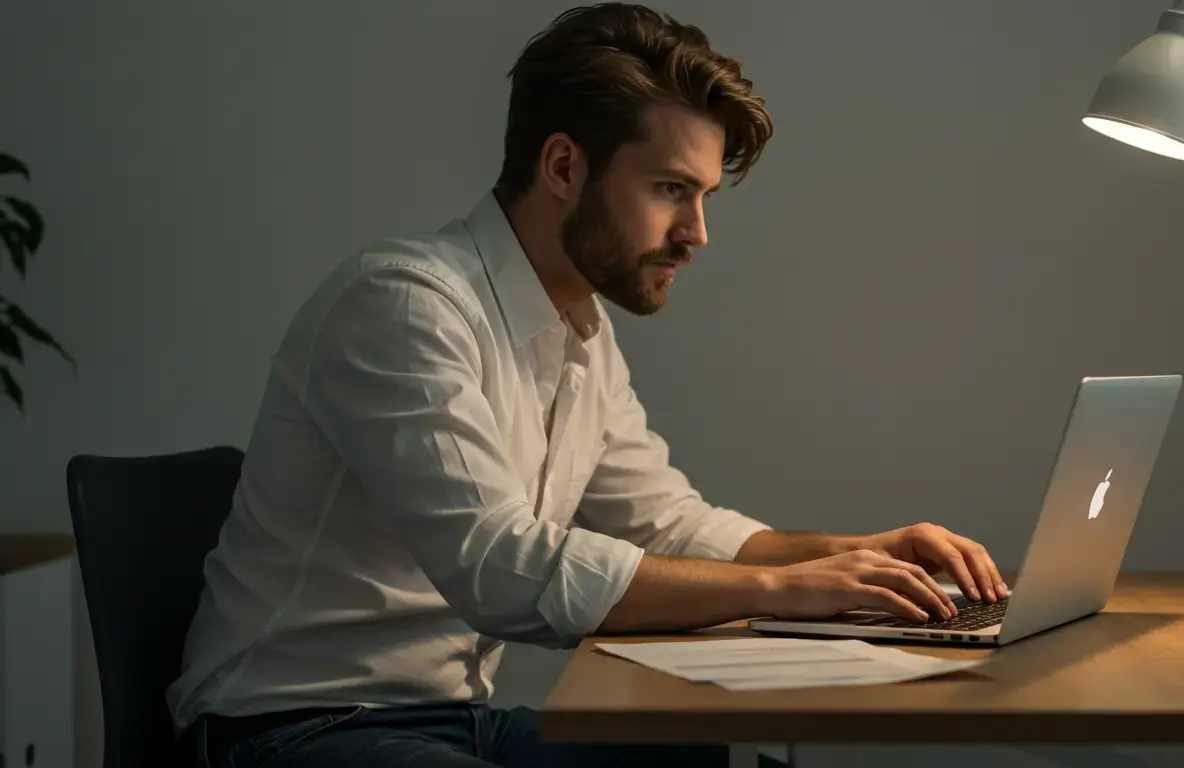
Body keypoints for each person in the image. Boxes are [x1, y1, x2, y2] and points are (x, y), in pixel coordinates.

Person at [168, 3, 1008, 767]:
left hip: (451, 719)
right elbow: (499, 567)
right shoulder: (400, 304)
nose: (698, 233)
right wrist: (788, 588)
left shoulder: (580, 332)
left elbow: (667, 523)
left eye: (704, 196)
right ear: (564, 166)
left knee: (692, 758)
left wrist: (852, 555)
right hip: (289, 729)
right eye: (671, 190)